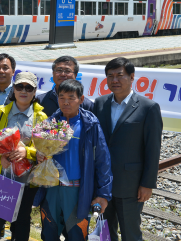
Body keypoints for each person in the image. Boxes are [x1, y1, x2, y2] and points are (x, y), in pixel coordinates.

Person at [93, 57, 162, 241]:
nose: (114, 80)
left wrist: (147, 184)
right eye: (110, 76)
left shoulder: (148, 108)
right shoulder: (99, 103)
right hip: (102, 184)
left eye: (120, 75)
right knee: (105, 233)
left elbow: (153, 149)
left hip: (131, 185)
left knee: (131, 233)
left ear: (132, 77)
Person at [40, 79, 113, 241]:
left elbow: (103, 161)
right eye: (62, 97)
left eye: (71, 97)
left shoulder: (90, 124)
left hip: (77, 192)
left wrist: (103, 194)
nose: (66, 102)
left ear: (81, 100)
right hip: (52, 189)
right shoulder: (51, 123)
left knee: (77, 235)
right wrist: (39, 154)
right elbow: (41, 152)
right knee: (48, 234)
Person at [0, 72, 48, 241]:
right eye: (20, 86)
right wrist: (0, 158)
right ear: (13, 89)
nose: (24, 91)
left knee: (22, 221)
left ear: (35, 92)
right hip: (2, 177)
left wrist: (28, 152)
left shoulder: (40, 116)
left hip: (28, 180)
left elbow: (46, 148)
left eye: (29, 87)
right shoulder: (1, 112)